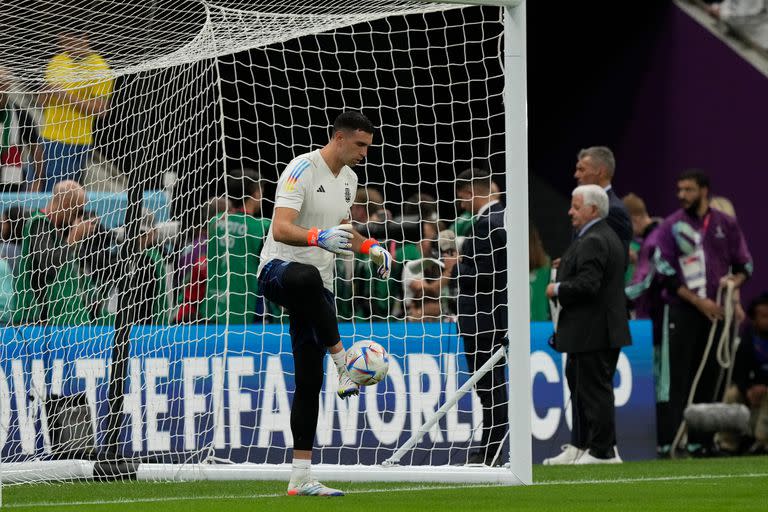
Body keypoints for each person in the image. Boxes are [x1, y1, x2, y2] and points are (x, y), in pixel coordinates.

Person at [256, 111, 391, 496]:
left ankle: (301, 476)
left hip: (318, 290)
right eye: (361, 145)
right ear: (339, 138)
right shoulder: (301, 169)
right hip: (280, 271)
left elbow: (344, 231)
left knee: (308, 381)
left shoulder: (350, 180)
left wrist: (371, 247)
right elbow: (281, 227)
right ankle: (342, 362)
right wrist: (317, 237)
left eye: (368, 146)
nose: (365, 153)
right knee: (307, 276)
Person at [653, 170, 752, 456]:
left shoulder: (726, 224)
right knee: (679, 379)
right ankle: (674, 442)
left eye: (689, 190)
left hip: (718, 313)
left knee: (711, 377)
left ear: (704, 191)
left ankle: (702, 441)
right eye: (679, 190)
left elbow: (745, 265)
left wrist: (734, 284)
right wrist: (700, 303)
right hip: (682, 312)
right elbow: (666, 273)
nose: (682, 195)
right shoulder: (671, 226)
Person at [544, 185, 632, 465]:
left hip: (594, 329)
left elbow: (588, 285)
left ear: (593, 209)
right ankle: (581, 446)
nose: (570, 211)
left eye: (576, 205)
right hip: (592, 329)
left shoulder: (595, 238)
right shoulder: (598, 236)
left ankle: (603, 451)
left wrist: (557, 288)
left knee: (594, 390)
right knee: (582, 387)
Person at [454, 168, 508, 466]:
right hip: (496, 318)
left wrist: (455, 266)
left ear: (472, 191)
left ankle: (491, 452)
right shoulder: (504, 218)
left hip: (483, 320)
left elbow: (485, 276)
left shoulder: (486, 224)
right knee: (491, 386)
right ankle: (490, 449)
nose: (461, 202)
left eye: (462, 195)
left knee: (490, 387)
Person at [39, 31, 113, 191]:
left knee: (62, 195)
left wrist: (65, 96)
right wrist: (44, 94)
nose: (64, 47)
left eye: (68, 42)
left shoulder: (99, 67)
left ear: (83, 38)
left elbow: (101, 110)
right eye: (62, 42)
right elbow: (43, 102)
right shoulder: (57, 61)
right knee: (36, 189)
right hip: (47, 137)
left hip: (74, 141)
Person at [13, 180, 95, 324]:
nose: (79, 217)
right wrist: (73, 239)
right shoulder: (38, 224)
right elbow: (49, 266)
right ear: (65, 205)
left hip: (53, 314)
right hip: (34, 316)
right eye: (78, 210)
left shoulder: (60, 228)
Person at [204, 168, 272, 324]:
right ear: (255, 193)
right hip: (247, 306)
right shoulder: (263, 226)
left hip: (214, 304)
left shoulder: (215, 222)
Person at [716, 293, 768, 455]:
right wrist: (748, 389)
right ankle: (727, 444)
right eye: (764, 316)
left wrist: (765, 387)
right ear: (753, 320)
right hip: (752, 389)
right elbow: (738, 374)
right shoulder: (747, 341)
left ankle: (762, 443)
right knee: (732, 394)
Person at [573, 146, 632, 262]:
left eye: (581, 170)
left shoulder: (614, 210)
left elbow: (615, 261)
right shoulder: (585, 204)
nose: (576, 175)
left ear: (600, 171)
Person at [0, 68, 44, 192]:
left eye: (2, 83)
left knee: (12, 210)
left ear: (8, 85)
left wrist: (38, 180)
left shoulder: (21, 114)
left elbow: (36, 148)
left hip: (11, 179)